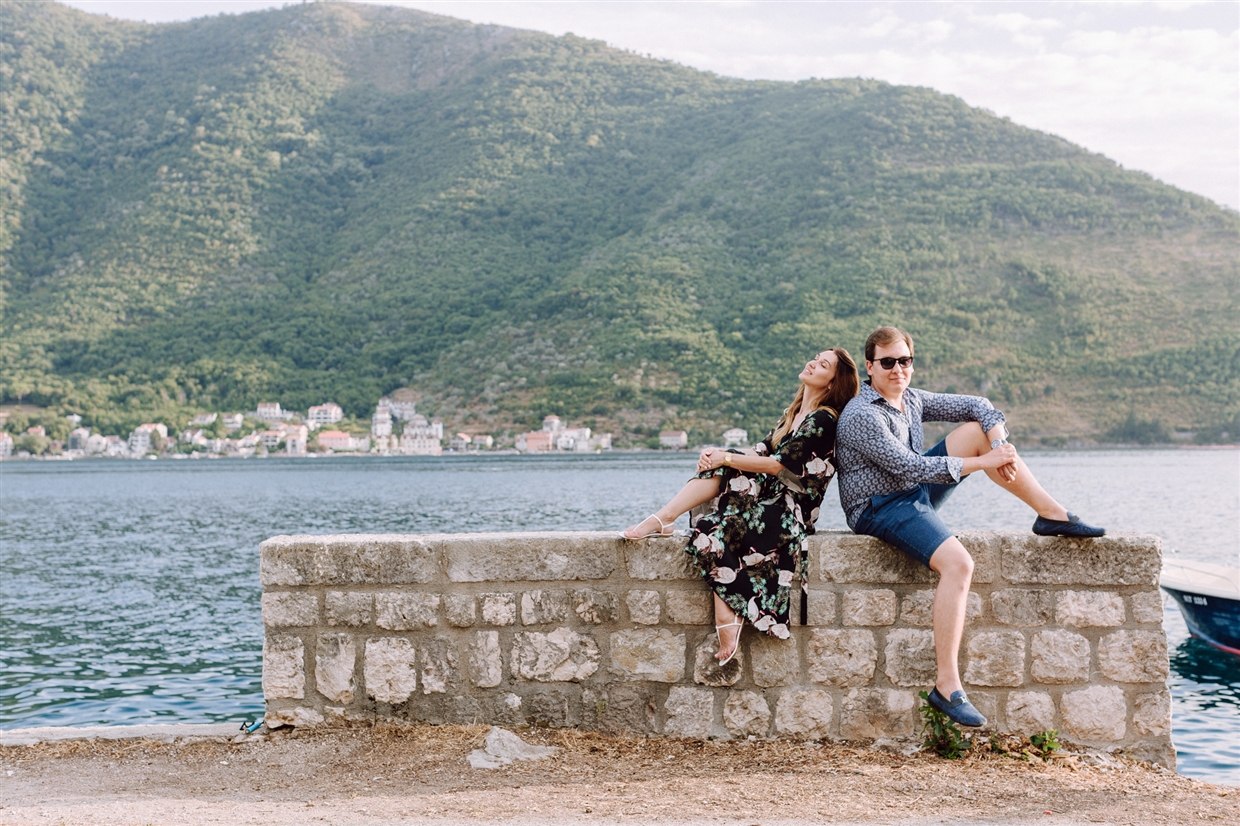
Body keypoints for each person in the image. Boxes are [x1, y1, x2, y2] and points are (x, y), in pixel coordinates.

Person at [835, 326, 1105, 727]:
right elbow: (907, 466)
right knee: (959, 565)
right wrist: (984, 464)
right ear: (871, 367)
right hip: (879, 507)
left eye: (904, 361)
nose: (897, 370)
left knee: (976, 432)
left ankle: (1051, 515)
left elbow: (980, 405)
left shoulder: (911, 399)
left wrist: (998, 446)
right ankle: (946, 686)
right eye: (888, 362)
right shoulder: (861, 415)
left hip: (911, 491)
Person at [621, 348, 860, 664]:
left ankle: (727, 609)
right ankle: (665, 517)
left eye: (823, 364)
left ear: (832, 383)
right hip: (767, 499)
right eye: (816, 357)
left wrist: (727, 458)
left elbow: (777, 465)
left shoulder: (823, 419)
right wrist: (717, 455)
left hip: (790, 511)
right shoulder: (793, 412)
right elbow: (759, 450)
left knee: (710, 525)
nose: (813, 362)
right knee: (722, 468)